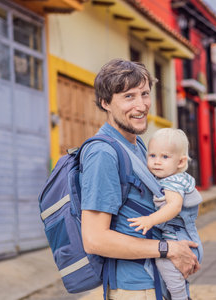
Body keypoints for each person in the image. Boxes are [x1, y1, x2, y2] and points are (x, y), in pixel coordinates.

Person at [80, 59, 199, 300]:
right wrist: (168, 249)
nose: (142, 105)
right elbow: (94, 239)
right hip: (134, 289)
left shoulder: (137, 145)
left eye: (145, 94)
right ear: (105, 103)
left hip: (154, 283)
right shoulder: (103, 153)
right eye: (128, 97)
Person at [128, 128, 203, 300]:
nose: (157, 162)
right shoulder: (169, 178)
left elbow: (174, 207)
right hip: (179, 237)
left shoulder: (172, 182)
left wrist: (149, 220)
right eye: (152, 156)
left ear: (180, 161)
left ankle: (180, 297)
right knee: (169, 274)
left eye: (165, 157)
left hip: (179, 237)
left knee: (163, 261)